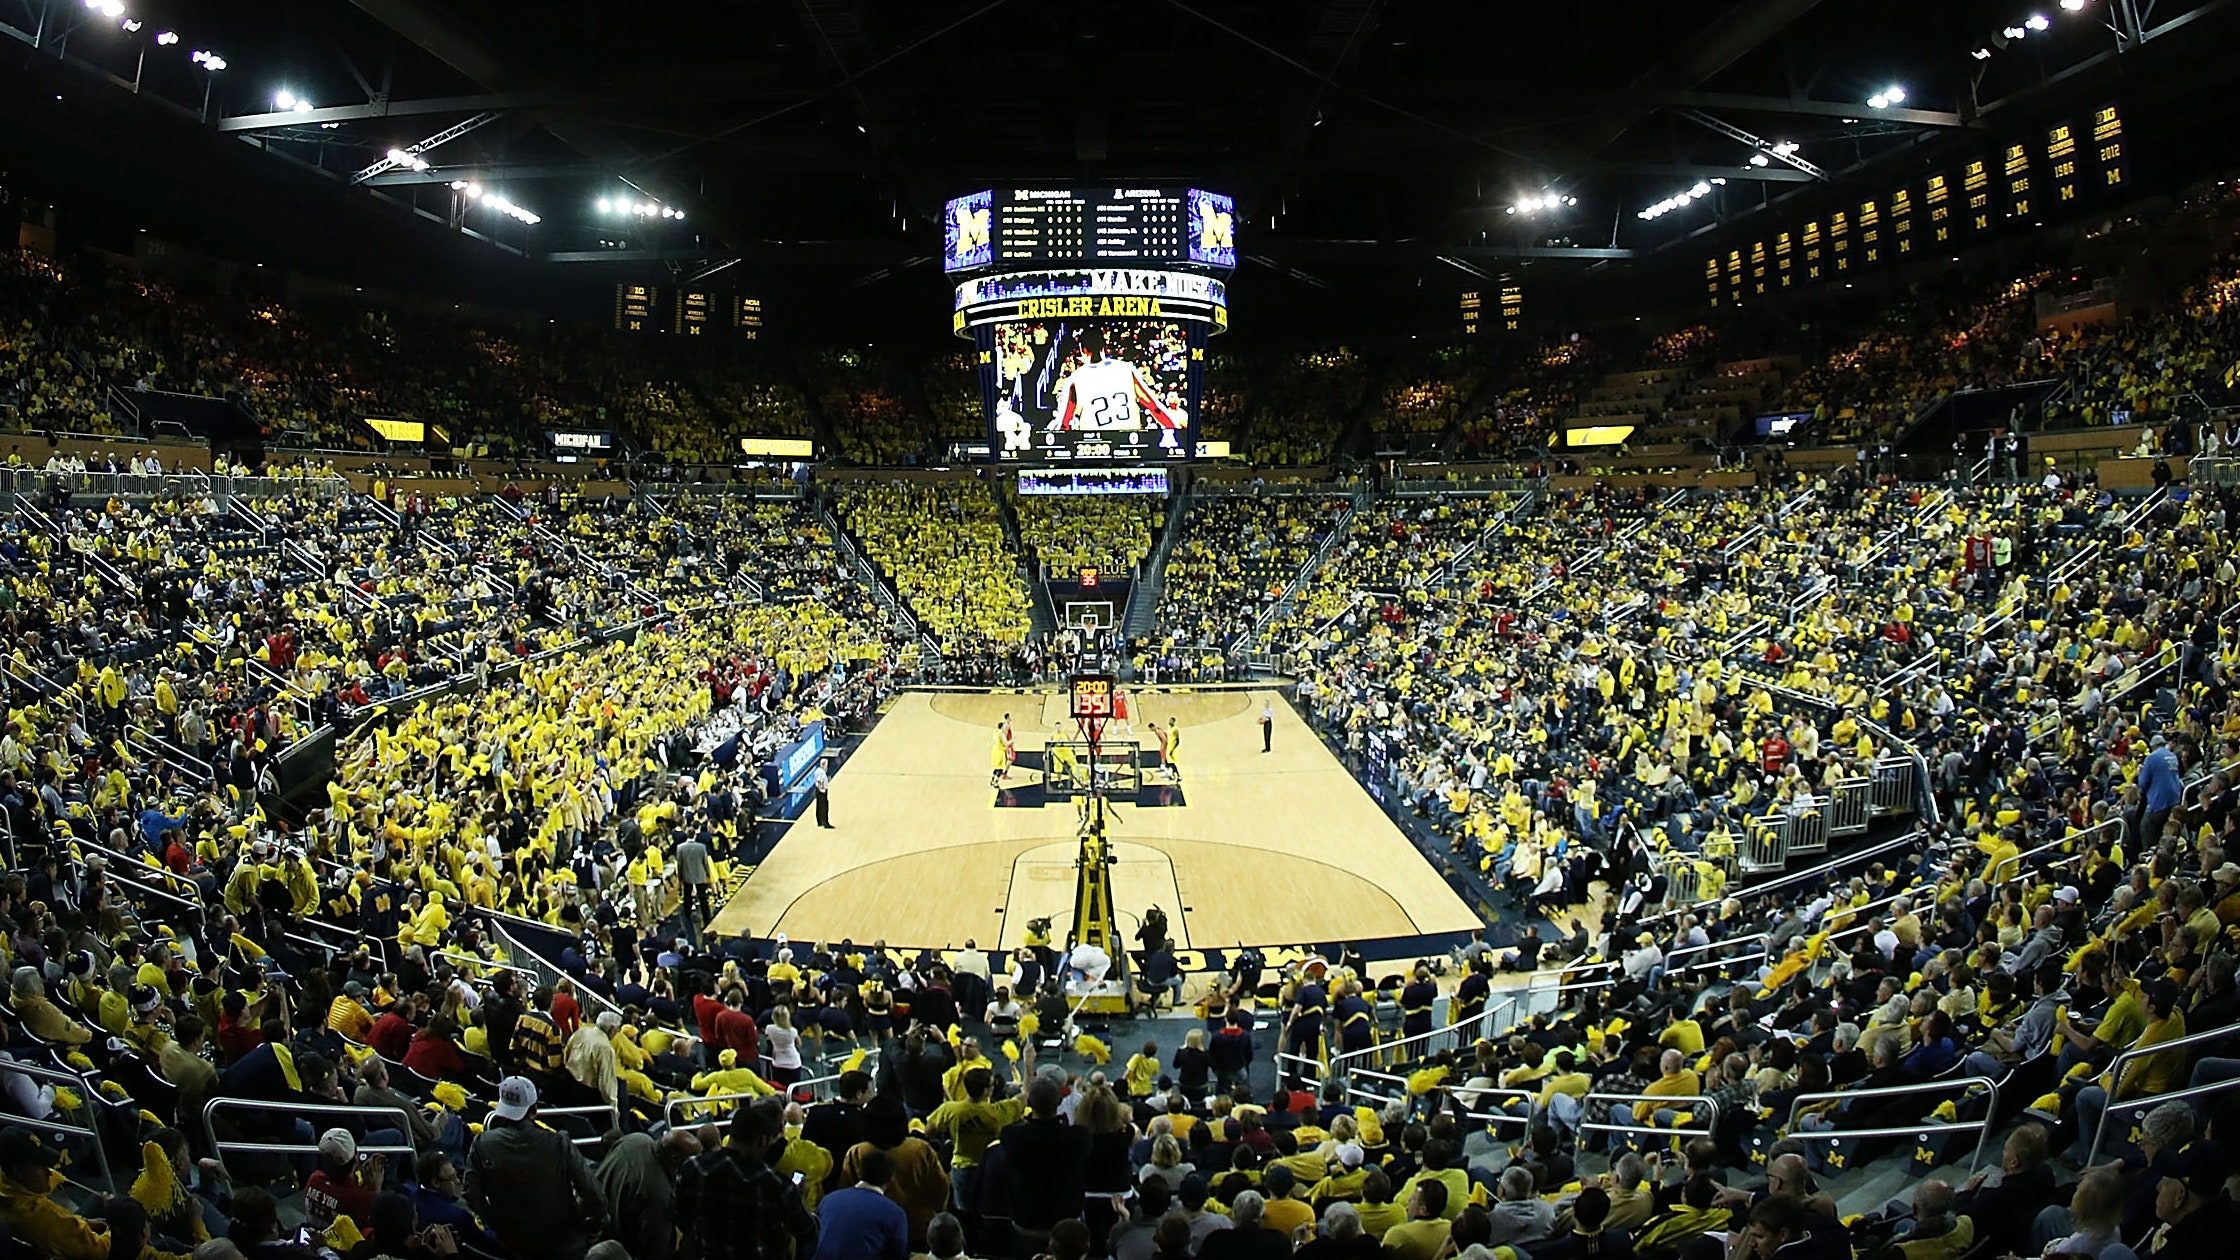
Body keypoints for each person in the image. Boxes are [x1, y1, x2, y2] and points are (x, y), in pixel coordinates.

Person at [463, 1076, 607, 1260]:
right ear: (534, 1110)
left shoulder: (482, 1143)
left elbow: (471, 1195)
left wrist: (496, 1226)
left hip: (513, 1245)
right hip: (564, 1244)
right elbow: (593, 1193)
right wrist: (591, 1228)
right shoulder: (559, 1143)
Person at [676, 1098, 818, 1260]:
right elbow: (807, 1232)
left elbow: (682, 1219)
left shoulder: (693, 1167)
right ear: (761, 1140)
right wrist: (801, 1199)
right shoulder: (777, 1184)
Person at [1000, 1077, 1093, 1254]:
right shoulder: (1079, 1138)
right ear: (1059, 1102)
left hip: (1026, 1222)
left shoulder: (1012, 1136)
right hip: (1066, 1223)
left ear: (1029, 1103)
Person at [816, 1147, 910, 1260]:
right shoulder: (895, 1214)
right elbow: (897, 1255)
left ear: (859, 1172)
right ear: (891, 1178)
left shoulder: (828, 1200)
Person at [816, 757, 835, 829]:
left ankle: (820, 822)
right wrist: (821, 790)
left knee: (819, 806)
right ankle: (825, 823)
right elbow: (819, 782)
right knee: (824, 807)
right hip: (822, 791)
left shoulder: (818, 770)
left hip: (819, 791)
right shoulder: (821, 772)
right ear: (824, 764)